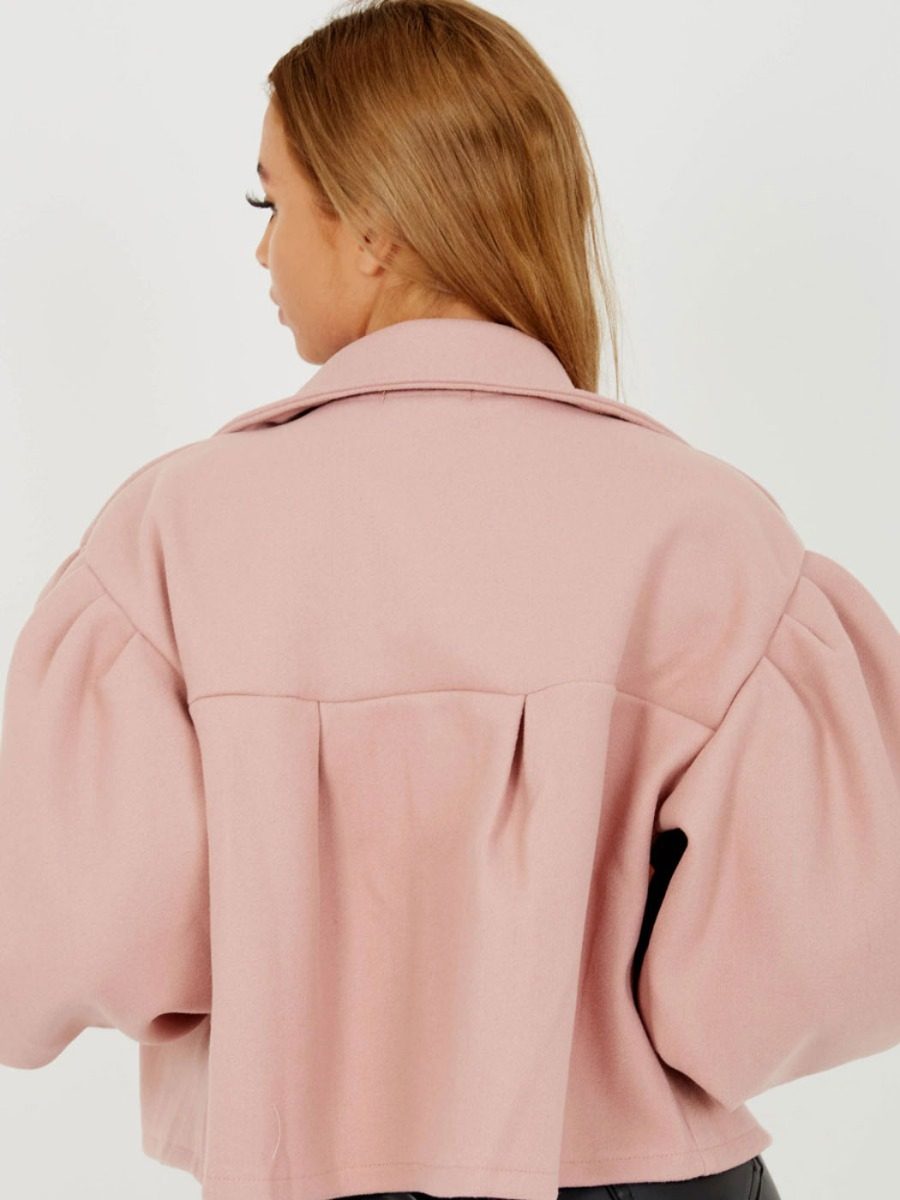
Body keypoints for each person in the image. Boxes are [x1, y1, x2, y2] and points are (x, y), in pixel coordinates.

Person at [0, 4, 897, 1200]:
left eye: (272, 204)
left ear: (373, 229)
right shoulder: (711, 531)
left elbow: (72, 933)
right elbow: (816, 959)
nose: (262, 255)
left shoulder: (174, 532)